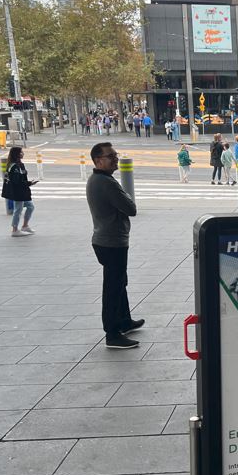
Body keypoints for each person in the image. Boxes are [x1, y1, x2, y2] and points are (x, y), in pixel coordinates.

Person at [86, 142, 144, 349]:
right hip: (111, 242)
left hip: (106, 239)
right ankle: (112, 333)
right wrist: (126, 198)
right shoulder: (106, 183)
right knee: (113, 287)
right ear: (98, 161)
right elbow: (131, 208)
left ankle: (124, 321)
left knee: (120, 282)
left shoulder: (97, 179)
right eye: (110, 156)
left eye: (115, 154)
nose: (115, 158)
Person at [4, 146, 37, 237]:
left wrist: (29, 183)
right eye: (21, 152)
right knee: (18, 210)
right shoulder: (14, 166)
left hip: (22, 191)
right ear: (16, 154)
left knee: (30, 206)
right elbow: (16, 182)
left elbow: (20, 178)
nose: (23, 154)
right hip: (18, 192)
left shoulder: (19, 164)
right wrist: (29, 183)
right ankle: (14, 230)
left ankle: (25, 226)